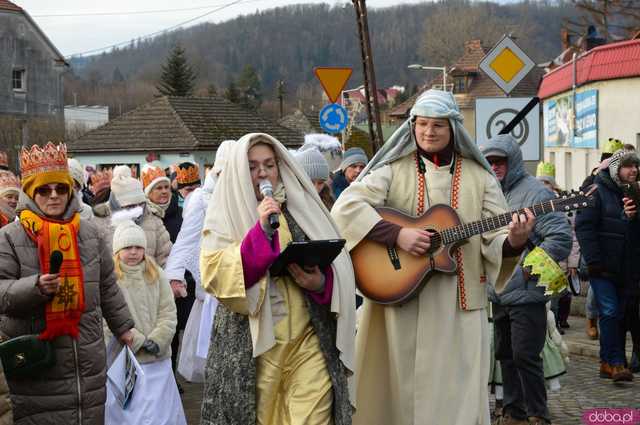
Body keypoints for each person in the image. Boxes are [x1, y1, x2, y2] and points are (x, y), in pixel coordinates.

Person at [331, 90, 532, 425]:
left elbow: (495, 239)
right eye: (422, 124)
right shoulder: (392, 171)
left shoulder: (480, 178)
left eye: (438, 125)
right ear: (412, 127)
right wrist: (398, 234)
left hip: (459, 306)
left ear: (453, 127)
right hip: (399, 301)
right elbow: (346, 208)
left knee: (457, 395)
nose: (429, 132)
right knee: (394, 393)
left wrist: (514, 241)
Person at [199, 133, 355, 425]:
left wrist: (321, 284)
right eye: (253, 166)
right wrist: (260, 232)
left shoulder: (301, 207)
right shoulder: (224, 213)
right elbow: (216, 274)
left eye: (269, 165)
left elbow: (340, 268)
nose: (262, 173)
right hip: (255, 347)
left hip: (309, 339)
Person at [0, 142, 134, 424]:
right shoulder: (9, 237)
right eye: (44, 190)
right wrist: (36, 287)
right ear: (29, 192)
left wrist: (124, 327)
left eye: (61, 188)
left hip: (86, 357)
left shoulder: (89, 233)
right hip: (38, 362)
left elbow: (107, 285)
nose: (53, 196)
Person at [481, 135, 572, 425]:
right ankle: (513, 412)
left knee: (525, 355)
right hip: (498, 291)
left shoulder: (536, 193)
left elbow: (560, 237)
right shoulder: (489, 193)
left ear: (513, 162)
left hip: (527, 291)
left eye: (500, 161)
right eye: (490, 161)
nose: (494, 166)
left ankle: (537, 413)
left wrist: (527, 269)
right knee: (505, 355)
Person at [104, 220, 185, 425]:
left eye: (138, 247)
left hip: (158, 358)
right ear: (117, 250)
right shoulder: (111, 279)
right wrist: (136, 339)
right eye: (127, 248)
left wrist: (158, 339)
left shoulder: (156, 274)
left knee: (161, 410)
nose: (133, 252)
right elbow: (107, 316)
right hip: (126, 359)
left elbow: (168, 311)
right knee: (132, 412)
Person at [169, 140, 235, 383]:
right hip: (213, 290)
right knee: (217, 358)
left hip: (241, 283)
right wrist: (175, 275)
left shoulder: (246, 194)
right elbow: (186, 240)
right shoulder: (201, 198)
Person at [576, 149, 636, 382]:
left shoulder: (631, 192)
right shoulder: (596, 191)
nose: (634, 170)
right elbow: (583, 227)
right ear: (615, 170)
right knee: (610, 311)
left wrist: (631, 219)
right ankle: (616, 363)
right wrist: (594, 262)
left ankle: (606, 362)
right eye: (628, 166)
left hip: (624, 267)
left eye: (635, 166)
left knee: (617, 314)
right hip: (601, 267)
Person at [536, 162, 580, 334]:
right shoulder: (532, 203)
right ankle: (547, 327)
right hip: (538, 260)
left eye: (546, 182)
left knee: (558, 296)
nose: (543, 186)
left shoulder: (564, 206)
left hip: (559, 262)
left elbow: (572, 236)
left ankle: (557, 324)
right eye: (540, 182)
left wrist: (573, 263)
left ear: (553, 184)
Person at [93, 173, 172, 267]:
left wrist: (169, 278)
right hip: (113, 280)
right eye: (130, 206)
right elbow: (93, 260)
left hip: (148, 279)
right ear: (117, 204)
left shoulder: (153, 220)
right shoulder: (99, 221)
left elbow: (166, 257)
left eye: (140, 204)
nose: (137, 209)